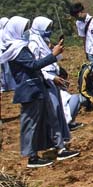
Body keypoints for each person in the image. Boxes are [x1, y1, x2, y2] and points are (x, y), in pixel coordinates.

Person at [0, 16, 71, 168]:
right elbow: (33, 65)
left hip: (37, 87)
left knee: (50, 118)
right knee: (31, 124)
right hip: (29, 90)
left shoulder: (20, 47)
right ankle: (32, 157)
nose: (27, 32)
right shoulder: (17, 49)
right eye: (24, 29)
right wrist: (53, 55)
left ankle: (59, 147)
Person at [29, 16, 78, 160]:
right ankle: (59, 147)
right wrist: (51, 77)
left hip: (52, 79)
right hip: (45, 80)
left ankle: (58, 143)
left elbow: (51, 59)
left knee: (57, 112)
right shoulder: (34, 44)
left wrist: (58, 51)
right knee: (53, 114)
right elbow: (36, 66)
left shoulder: (43, 42)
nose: (49, 31)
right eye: (47, 29)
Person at [69, 2, 93, 69]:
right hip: (89, 51)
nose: (76, 18)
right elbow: (83, 38)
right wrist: (86, 51)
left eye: (76, 15)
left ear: (81, 12)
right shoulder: (78, 23)